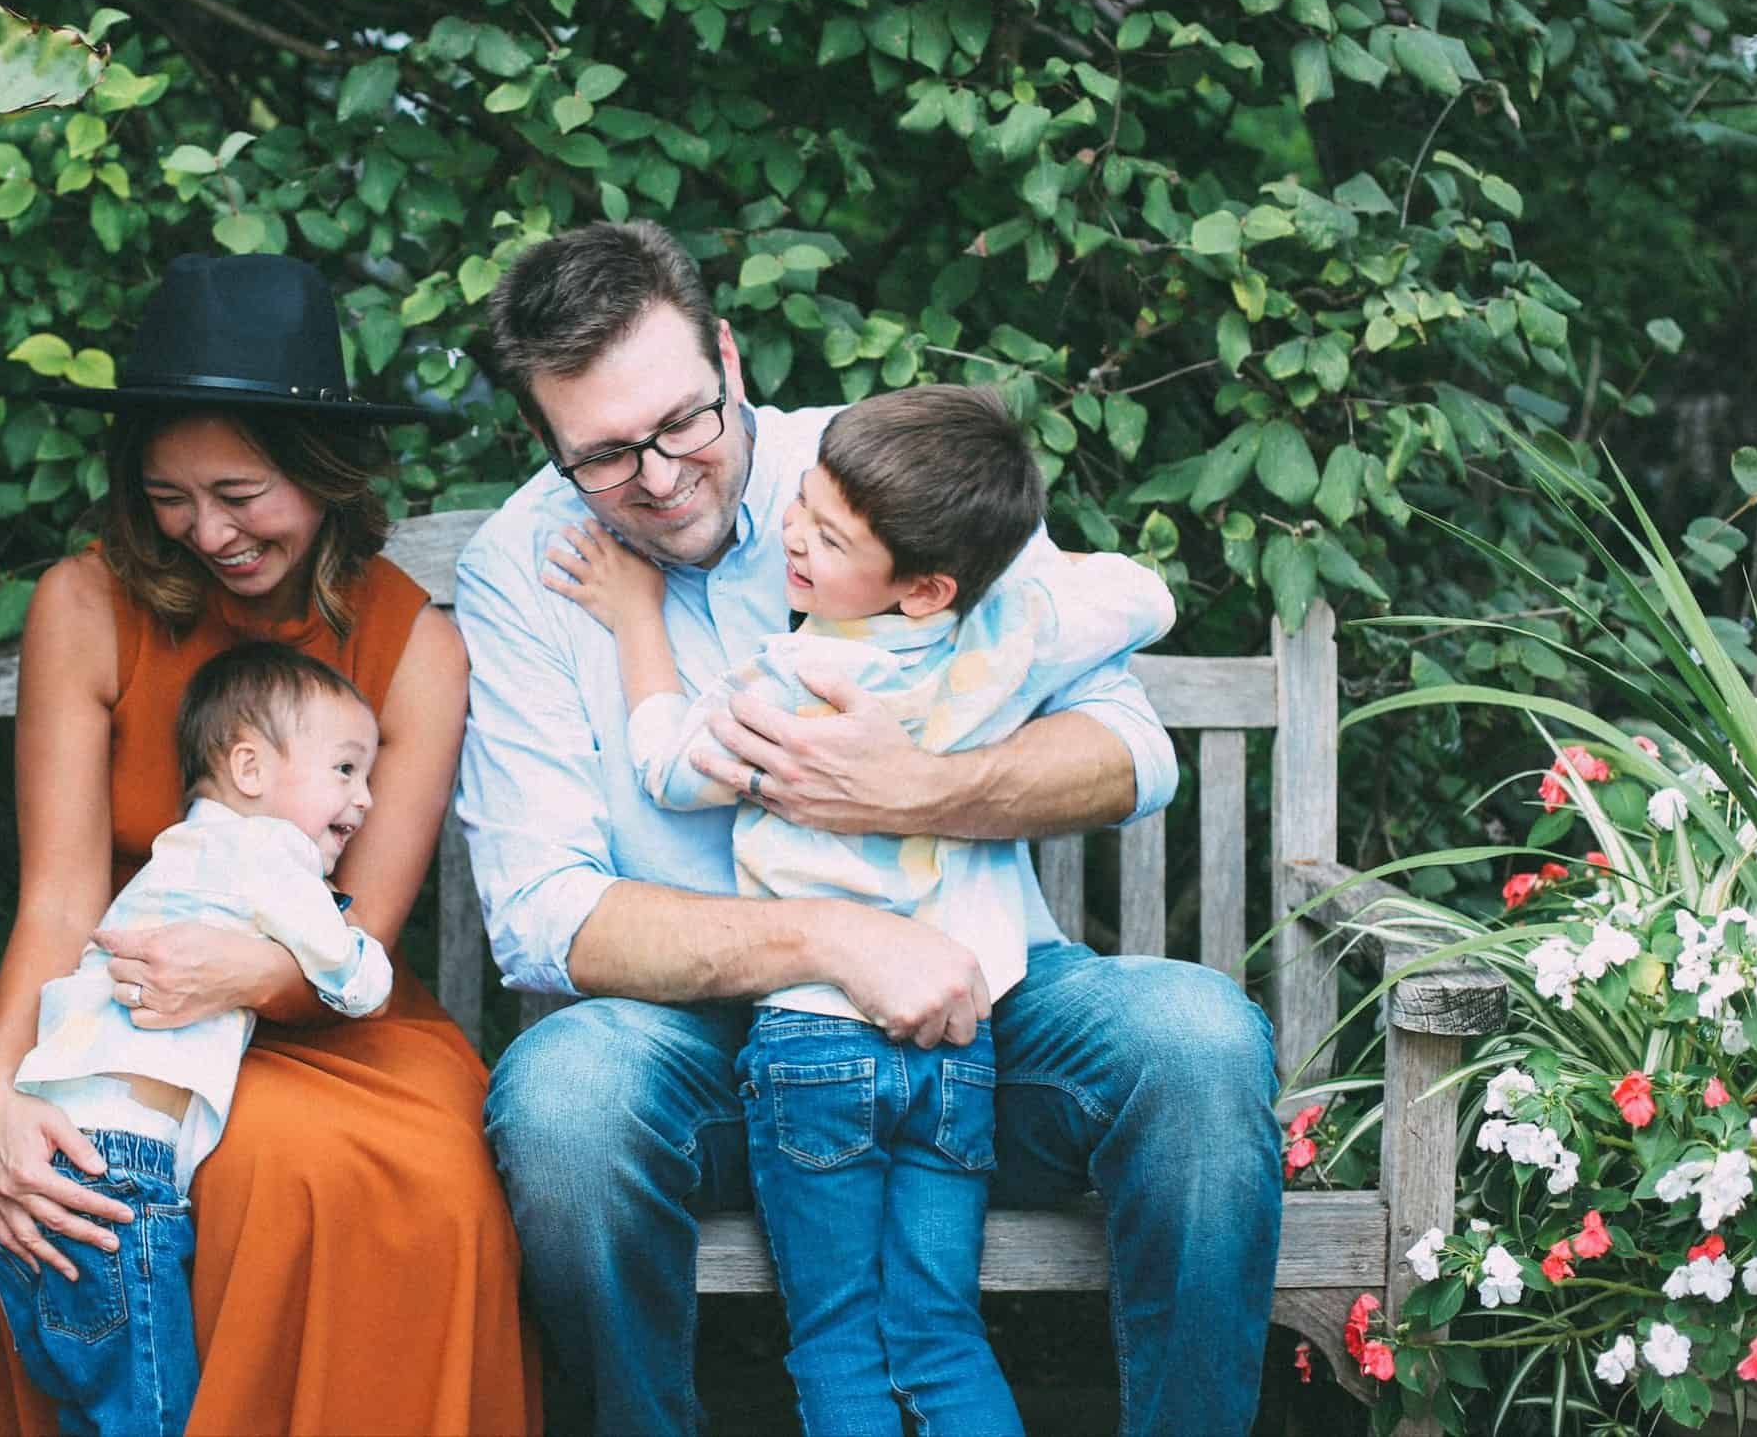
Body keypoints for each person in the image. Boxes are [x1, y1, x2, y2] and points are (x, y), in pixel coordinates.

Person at [453, 221, 1282, 1437]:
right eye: (607, 455)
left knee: (1199, 1042)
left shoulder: (879, 473)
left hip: (982, 1006)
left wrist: (914, 791)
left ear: (730, 360)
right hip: (702, 1047)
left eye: (685, 420)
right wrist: (834, 940)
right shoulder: (528, 566)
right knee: (569, 1104)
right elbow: (545, 917)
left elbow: (1125, 750)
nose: (664, 474)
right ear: (548, 448)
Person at [0, 253, 537, 1437]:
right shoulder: (83, 606)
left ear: (323, 475)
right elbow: (63, 894)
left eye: (240, 491)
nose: (206, 531)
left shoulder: (417, 646)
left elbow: (362, 939)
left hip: (329, 1014)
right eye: (170, 496)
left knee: (402, 1189)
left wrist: (248, 974)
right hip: (120, 1022)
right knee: (88, 1182)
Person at [541, 383, 1177, 1437]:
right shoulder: (1007, 647)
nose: (789, 535)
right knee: (937, 1333)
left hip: (815, 1048)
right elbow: (1142, 599)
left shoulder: (795, 679)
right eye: (804, 505)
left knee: (837, 1338)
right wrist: (1014, 568)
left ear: (921, 587)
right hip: (955, 1048)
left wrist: (636, 617)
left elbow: (663, 764)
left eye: (826, 535)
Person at [0, 643, 397, 1437]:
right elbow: (353, 972)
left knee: (96, 1416)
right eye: (346, 770)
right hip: (119, 1178)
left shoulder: (178, 854)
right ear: (250, 768)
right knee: (155, 1418)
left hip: (40, 1165)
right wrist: (363, 959)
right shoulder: (267, 852)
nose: (368, 799)